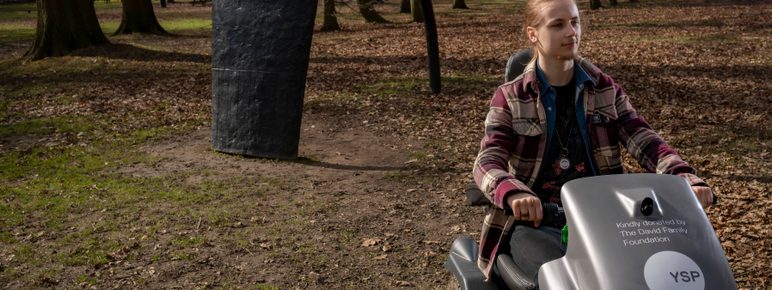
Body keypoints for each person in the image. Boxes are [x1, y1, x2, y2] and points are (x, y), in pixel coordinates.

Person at [471, 0, 714, 283]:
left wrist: (683, 176)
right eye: (558, 24)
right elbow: (487, 160)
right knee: (560, 281)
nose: (571, 32)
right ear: (532, 34)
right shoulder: (510, 97)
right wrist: (513, 193)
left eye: (574, 22)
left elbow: (645, 140)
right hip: (537, 223)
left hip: (607, 220)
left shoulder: (605, 88)